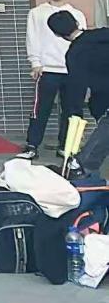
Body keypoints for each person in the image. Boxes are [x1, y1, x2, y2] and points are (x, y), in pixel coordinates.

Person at [20, 0, 87, 159]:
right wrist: (35, 63)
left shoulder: (77, 14)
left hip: (73, 70)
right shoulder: (36, 13)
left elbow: (83, 42)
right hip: (47, 69)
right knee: (41, 109)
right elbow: (32, 38)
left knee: (73, 110)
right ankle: (32, 145)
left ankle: (67, 147)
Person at [48, 12, 109, 179]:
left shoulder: (74, 54)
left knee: (106, 127)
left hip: (104, 96)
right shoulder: (103, 33)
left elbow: (77, 87)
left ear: (57, 34)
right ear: (76, 22)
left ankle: (82, 166)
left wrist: (75, 113)